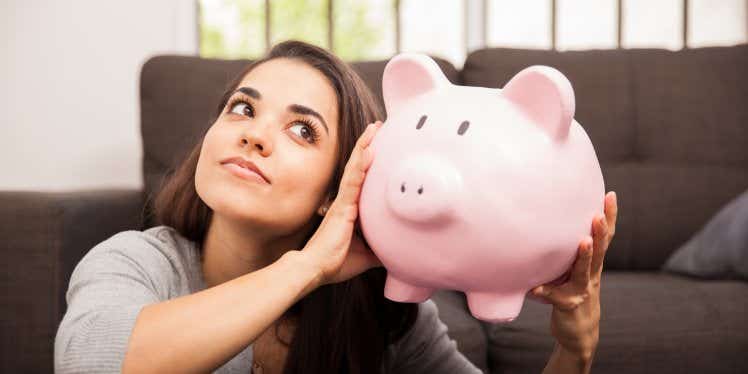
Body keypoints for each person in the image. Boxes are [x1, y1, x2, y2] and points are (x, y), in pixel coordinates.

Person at [54, 40, 618, 374]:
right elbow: (91, 363)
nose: (253, 136)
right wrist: (308, 266)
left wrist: (573, 349)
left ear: (339, 186)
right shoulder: (134, 263)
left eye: (302, 130)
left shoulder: (375, 306)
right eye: (241, 110)